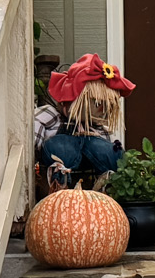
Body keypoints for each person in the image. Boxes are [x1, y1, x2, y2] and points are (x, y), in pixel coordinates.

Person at [36, 53, 136, 189]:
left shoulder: (97, 128)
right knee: (60, 147)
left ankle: (107, 185)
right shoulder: (53, 116)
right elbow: (35, 131)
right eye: (96, 103)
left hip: (90, 180)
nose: (102, 109)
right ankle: (61, 185)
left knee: (110, 151)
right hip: (62, 181)